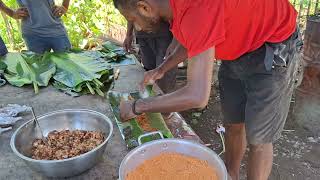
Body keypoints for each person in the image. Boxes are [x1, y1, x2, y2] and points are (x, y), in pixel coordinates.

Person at [114, 0, 301, 180]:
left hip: (272, 46)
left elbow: (197, 96)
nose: (136, 28)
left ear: (144, 7)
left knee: (259, 139)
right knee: (233, 123)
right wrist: (162, 68)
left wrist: (137, 106)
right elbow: (196, 38)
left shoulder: (198, 7)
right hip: (237, 46)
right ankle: (231, 175)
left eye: (132, 19)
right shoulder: (176, 8)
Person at [0, 0, 71, 54]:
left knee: (70, 67)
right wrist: (12, 13)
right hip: (33, 34)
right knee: (41, 70)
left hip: (56, 30)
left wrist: (65, 6)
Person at [124, 21, 176, 93]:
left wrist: (175, 40)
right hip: (142, 36)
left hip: (164, 34)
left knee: (165, 77)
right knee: (148, 73)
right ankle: (153, 99)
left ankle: (166, 100)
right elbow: (129, 13)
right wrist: (128, 34)